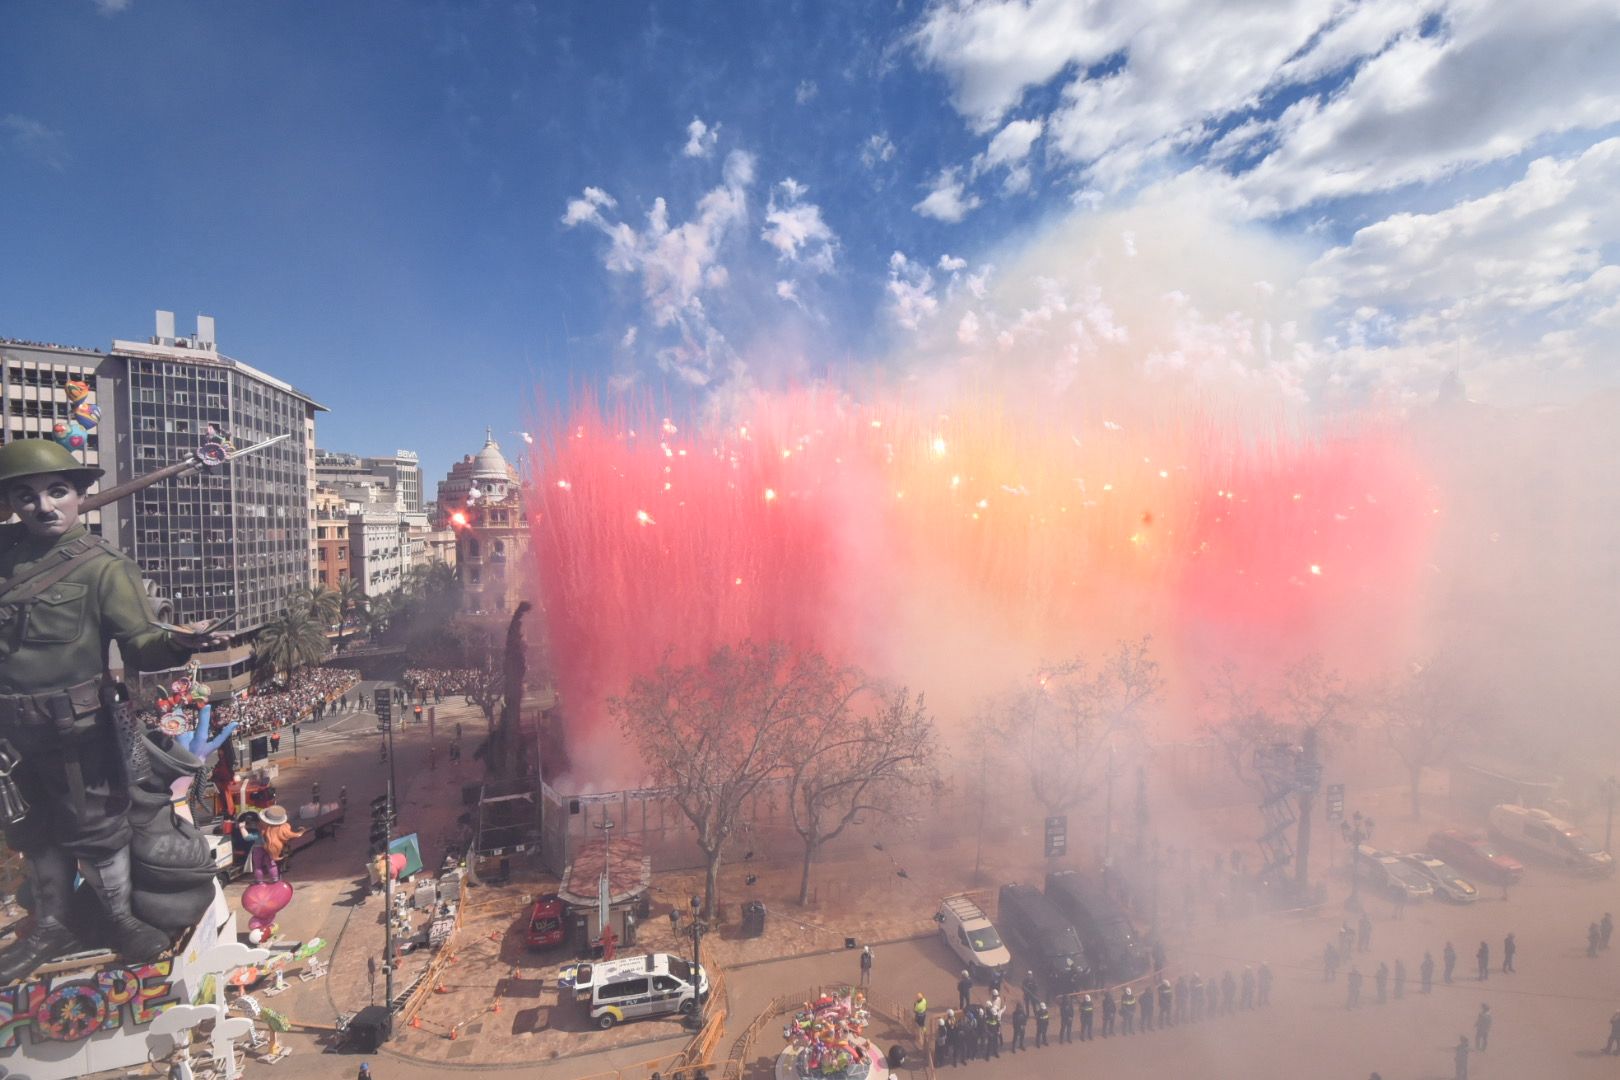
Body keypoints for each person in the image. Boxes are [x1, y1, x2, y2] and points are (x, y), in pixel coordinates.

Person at [0, 440, 230, 981]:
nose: (44, 506)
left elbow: (141, 647)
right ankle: (52, 923)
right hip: (11, 733)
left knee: (96, 830)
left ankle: (120, 918)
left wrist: (178, 643)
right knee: (33, 830)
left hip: (77, 729)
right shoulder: (5, 555)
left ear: (80, 496)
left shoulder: (104, 568)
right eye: (26, 496)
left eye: (58, 491)